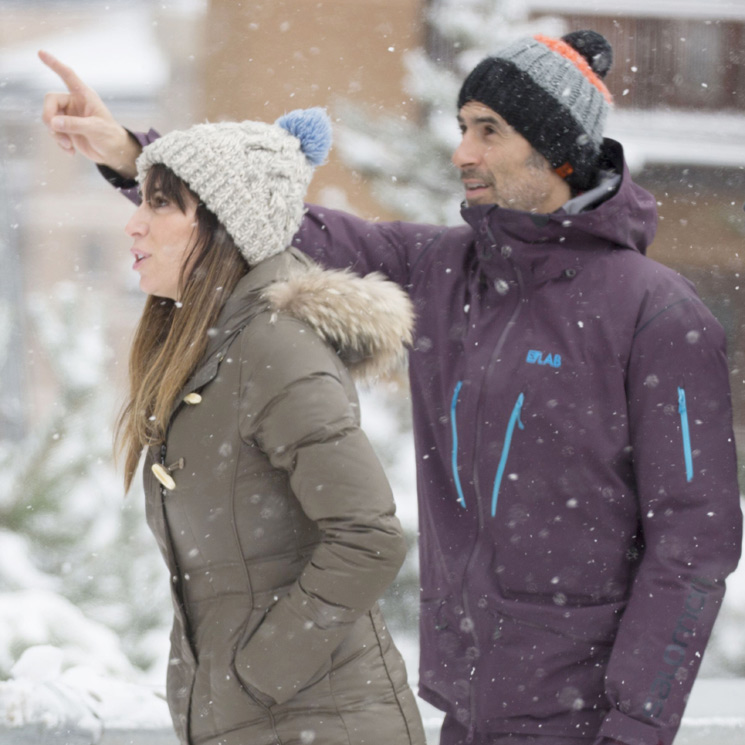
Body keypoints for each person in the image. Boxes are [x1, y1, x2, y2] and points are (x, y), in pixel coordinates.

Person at [39, 29, 743, 745]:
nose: (461, 151)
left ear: (556, 149)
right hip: (467, 711)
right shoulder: (452, 273)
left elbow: (693, 544)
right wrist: (136, 156)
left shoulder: (658, 315)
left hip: (587, 721)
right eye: (462, 127)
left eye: (488, 131)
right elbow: (266, 224)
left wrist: (632, 726)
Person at [45, 102, 427, 745]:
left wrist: (255, 674)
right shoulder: (214, 353)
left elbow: (369, 537)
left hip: (319, 724)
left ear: (227, 229)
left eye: (162, 206)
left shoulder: (274, 351)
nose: (134, 226)